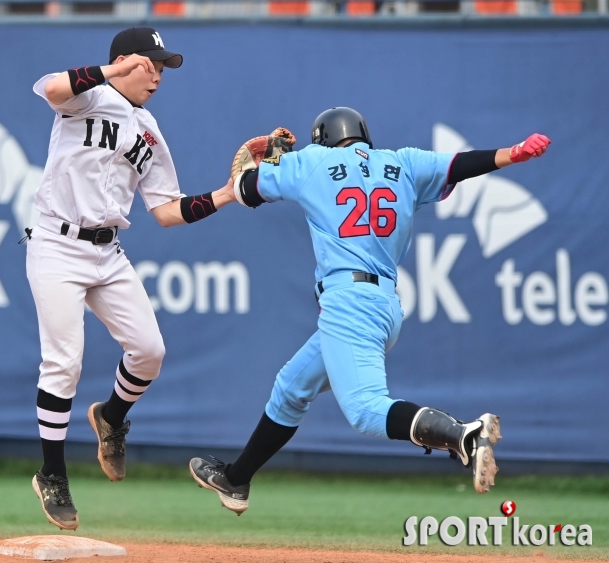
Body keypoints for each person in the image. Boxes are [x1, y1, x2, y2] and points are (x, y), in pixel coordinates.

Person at [189, 107, 551, 515]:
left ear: (322, 137)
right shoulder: (403, 162)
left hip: (348, 303)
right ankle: (237, 479)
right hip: (384, 306)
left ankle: (463, 435)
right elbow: (460, 164)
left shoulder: (311, 161)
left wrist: (263, 163)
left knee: (365, 410)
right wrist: (512, 153)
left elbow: (246, 189)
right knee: (292, 387)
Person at [27, 27, 234, 531]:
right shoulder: (86, 96)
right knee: (64, 363)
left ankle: (112, 418)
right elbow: (51, 87)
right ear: (124, 61)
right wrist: (112, 71)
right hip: (55, 244)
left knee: (150, 351)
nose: (159, 75)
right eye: (151, 64)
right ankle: (51, 474)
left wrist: (229, 193)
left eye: (164, 67)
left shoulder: (148, 130)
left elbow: (166, 210)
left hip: (107, 253)